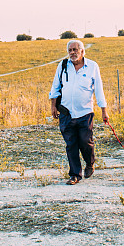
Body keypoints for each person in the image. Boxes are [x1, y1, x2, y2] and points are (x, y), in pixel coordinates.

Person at [49, 39, 109, 184]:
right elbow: (55, 86)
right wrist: (53, 106)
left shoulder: (92, 66)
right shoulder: (63, 65)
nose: (72, 53)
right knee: (71, 144)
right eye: (70, 50)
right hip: (66, 113)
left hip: (85, 113)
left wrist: (104, 110)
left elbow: (99, 90)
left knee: (85, 142)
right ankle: (75, 175)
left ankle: (90, 163)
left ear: (82, 51)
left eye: (75, 50)